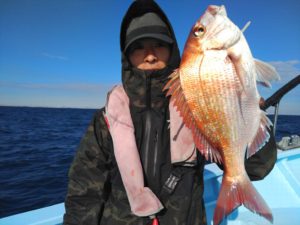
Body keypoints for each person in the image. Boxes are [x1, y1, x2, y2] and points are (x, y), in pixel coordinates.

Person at [63, 1, 277, 224]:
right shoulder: (106, 120)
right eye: (138, 47)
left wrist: (248, 111)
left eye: (159, 44)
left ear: (172, 50)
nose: (150, 55)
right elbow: (84, 191)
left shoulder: (193, 107)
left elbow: (257, 168)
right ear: (127, 57)